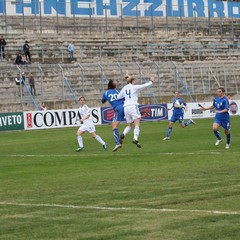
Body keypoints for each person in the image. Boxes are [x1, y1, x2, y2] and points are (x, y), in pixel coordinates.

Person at [116, 73, 155, 148]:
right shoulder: (134, 87)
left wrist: (126, 97)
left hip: (126, 107)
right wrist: (151, 81)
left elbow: (118, 97)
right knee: (137, 124)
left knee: (129, 125)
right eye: (135, 80)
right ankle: (135, 138)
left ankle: (123, 134)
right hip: (133, 106)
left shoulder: (124, 88)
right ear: (133, 81)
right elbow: (144, 85)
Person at [101, 79, 131, 152]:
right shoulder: (118, 91)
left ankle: (117, 143)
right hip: (125, 107)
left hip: (118, 108)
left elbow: (102, 101)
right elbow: (124, 98)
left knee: (114, 127)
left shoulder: (106, 93)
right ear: (113, 86)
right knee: (129, 124)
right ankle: (123, 135)